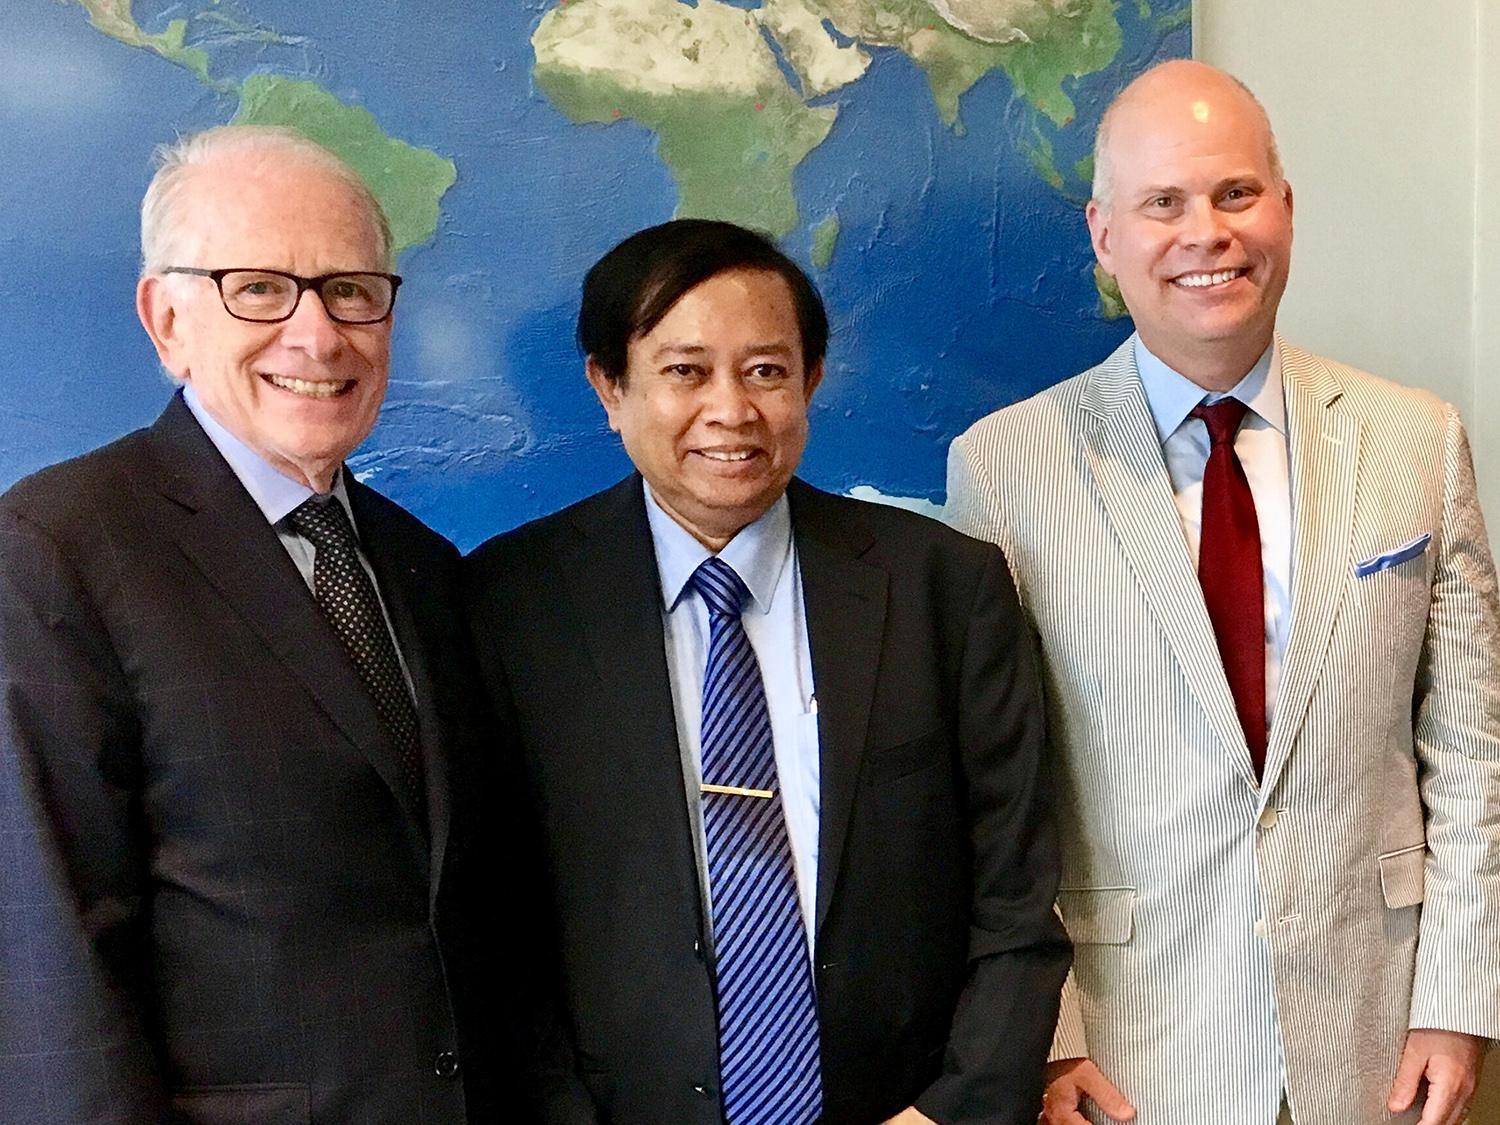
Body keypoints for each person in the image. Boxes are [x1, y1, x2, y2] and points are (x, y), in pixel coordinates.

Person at [947, 59, 1499, 1125]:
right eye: (1164, 203)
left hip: (1384, 1047)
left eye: (1236, 193)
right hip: (1128, 1053)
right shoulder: (1007, 468)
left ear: (1285, 210)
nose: (1208, 232)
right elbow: (989, 795)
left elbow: (1472, 750)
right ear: (1106, 237)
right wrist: (1043, 1041)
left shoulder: (1416, 442)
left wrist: (1459, 1002)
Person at [466, 218, 1070, 1125]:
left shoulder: (945, 587)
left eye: (765, 370)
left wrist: (955, 1109)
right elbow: (496, 924)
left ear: (811, 380)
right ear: (609, 387)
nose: (732, 409)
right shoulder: (510, 604)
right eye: (685, 371)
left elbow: (1018, 897)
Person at [0, 126, 509, 1122]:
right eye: (259, 288)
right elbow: (49, 964)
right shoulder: (58, 550)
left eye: (350, 289)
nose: (317, 335)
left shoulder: (425, 570)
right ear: (168, 320)